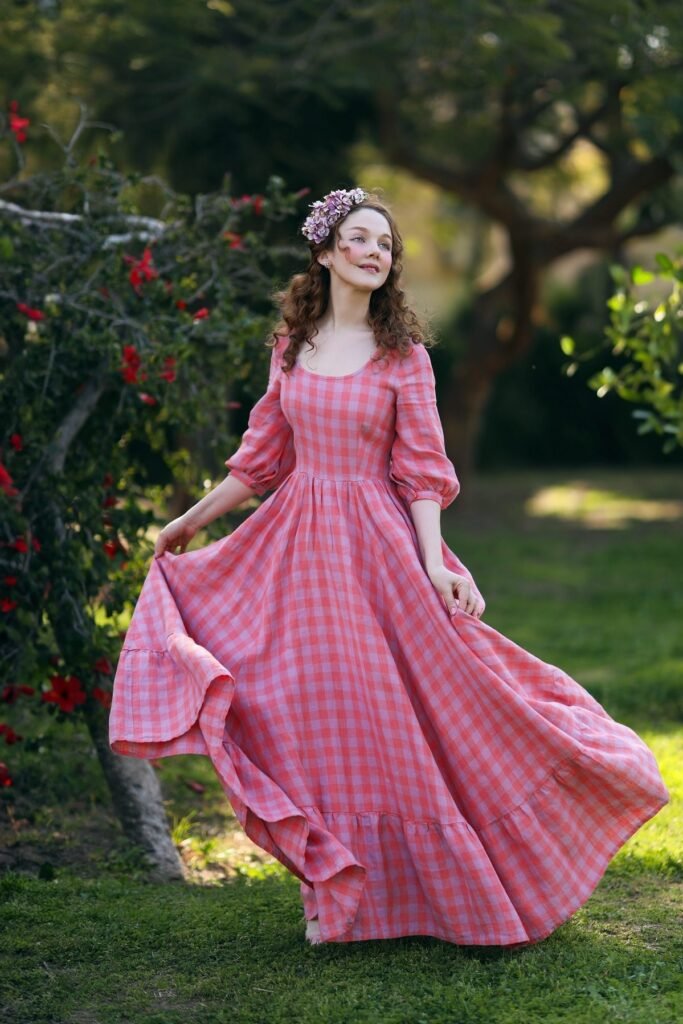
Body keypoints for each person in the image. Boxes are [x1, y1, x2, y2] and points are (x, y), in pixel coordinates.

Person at [109, 187, 670, 948]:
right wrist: (186, 523)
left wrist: (434, 562)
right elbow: (261, 458)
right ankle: (336, 888)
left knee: (415, 708)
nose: (375, 252)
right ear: (324, 251)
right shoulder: (291, 347)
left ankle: (441, 881)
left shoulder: (402, 356)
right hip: (298, 551)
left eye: (385, 244)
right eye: (361, 239)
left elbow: (422, 470)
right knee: (316, 714)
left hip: (377, 548)